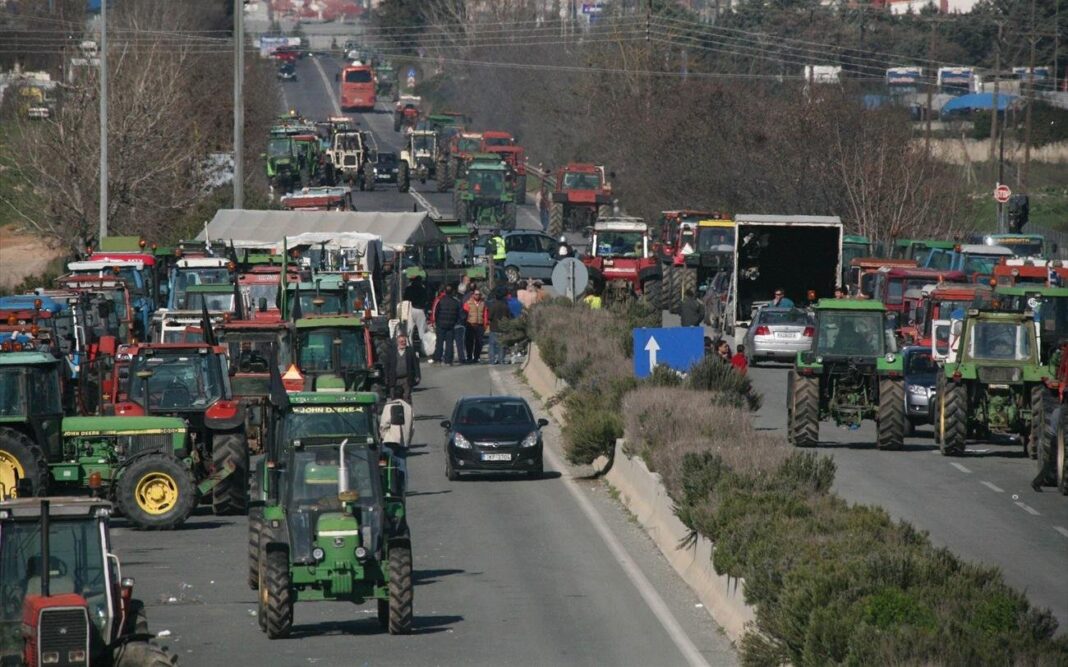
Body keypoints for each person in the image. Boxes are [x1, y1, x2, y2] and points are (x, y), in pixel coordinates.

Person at [384, 333, 420, 402]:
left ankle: (407, 411)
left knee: (406, 398)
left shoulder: (410, 351)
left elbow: (415, 364)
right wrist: (386, 377)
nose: (403, 343)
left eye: (404, 341)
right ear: (397, 342)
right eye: (401, 341)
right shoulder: (391, 352)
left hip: (406, 378)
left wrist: (417, 376)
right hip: (394, 379)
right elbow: (387, 366)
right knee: (394, 398)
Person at [432, 285, 462, 365]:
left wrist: (435, 322)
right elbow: (459, 314)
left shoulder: (440, 301)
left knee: (439, 342)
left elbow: (435, 312)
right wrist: (455, 322)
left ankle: (437, 359)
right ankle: (448, 360)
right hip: (451, 325)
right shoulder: (456, 302)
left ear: (444, 291)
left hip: (440, 324)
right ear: (452, 292)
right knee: (449, 343)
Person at [463, 289, 489, 363]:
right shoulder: (468, 303)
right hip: (470, 324)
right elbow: (465, 313)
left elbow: (485, 314)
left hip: (480, 325)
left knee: (479, 342)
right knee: (469, 342)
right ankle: (469, 357)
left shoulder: (483, 303)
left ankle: (476, 357)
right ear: (473, 295)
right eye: (476, 294)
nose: (477, 296)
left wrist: (485, 324)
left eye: (479, 294)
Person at [487, 289, 512, 364]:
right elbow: (508, 317)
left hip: (494, 328)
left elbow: (489, 317)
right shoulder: (505, 306)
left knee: (492, 345)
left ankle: (492, 360)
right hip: (503, 329)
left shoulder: (493, 306)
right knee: (502, 345)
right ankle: (501, 360)